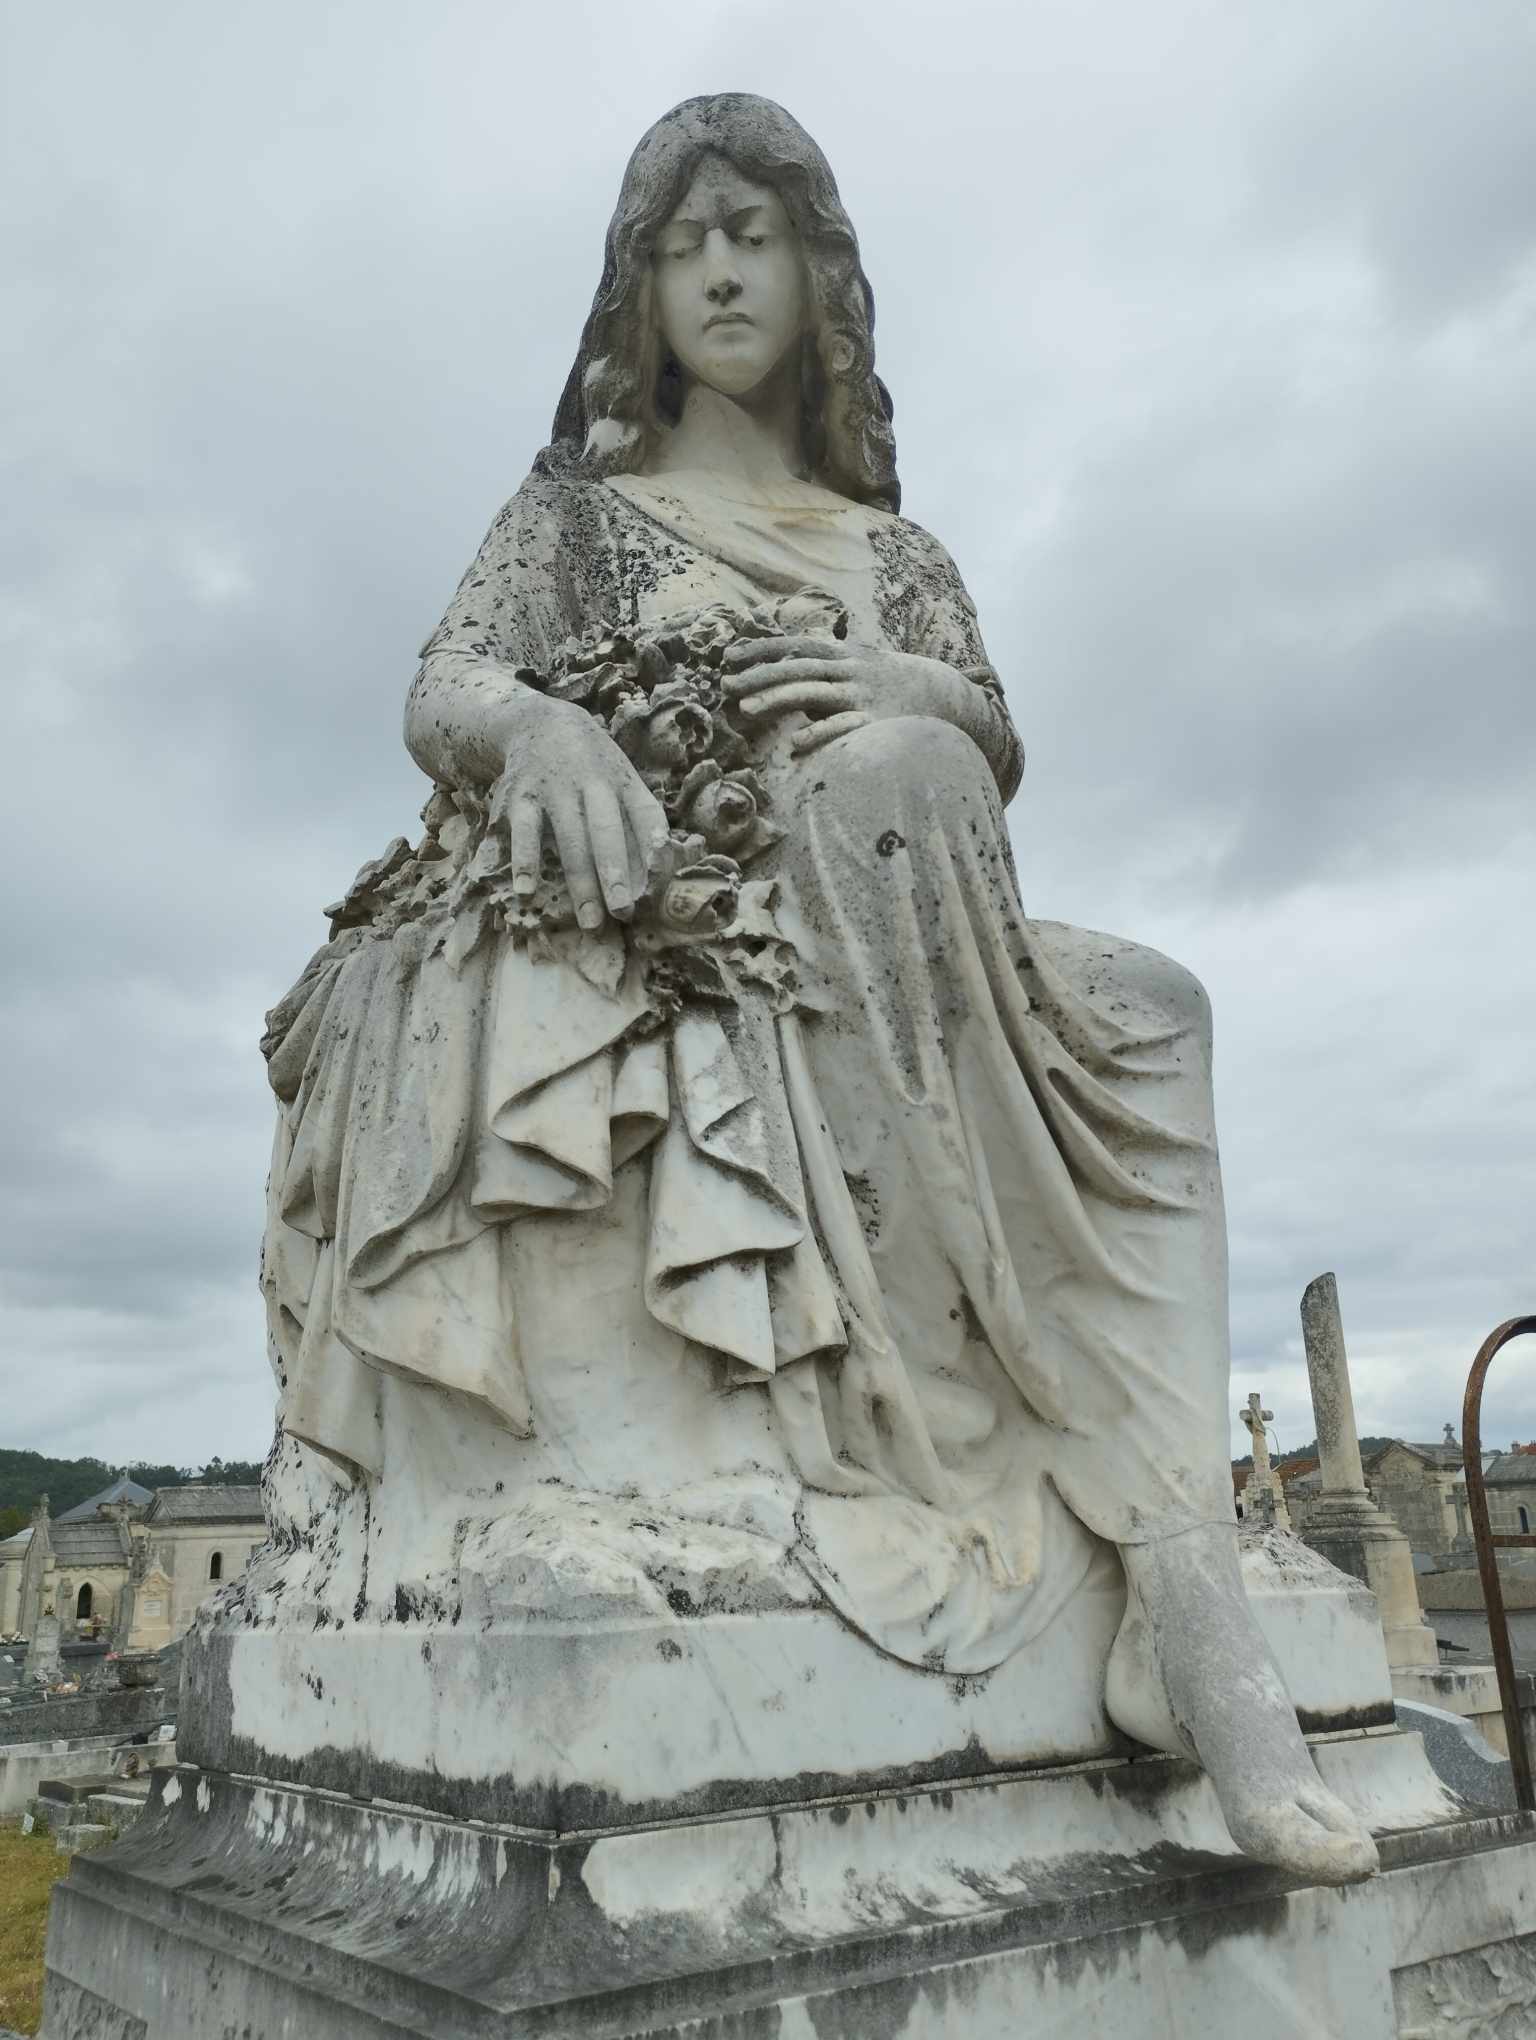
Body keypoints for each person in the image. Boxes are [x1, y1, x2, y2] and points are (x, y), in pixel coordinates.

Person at [259, 93, 1376, 1883]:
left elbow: (992, 740)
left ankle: (1165, 1554)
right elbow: (441, 686)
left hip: (909, 908)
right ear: (639, 283)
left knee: (1156, 999)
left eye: (752, 233)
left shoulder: (899, 554)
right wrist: (541, 725)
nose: (719, 267)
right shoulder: (578, 518)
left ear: (817, 275)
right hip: (691, 890)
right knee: (888, 794)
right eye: (685, 238)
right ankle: (1182, 1590)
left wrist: (917, 697)